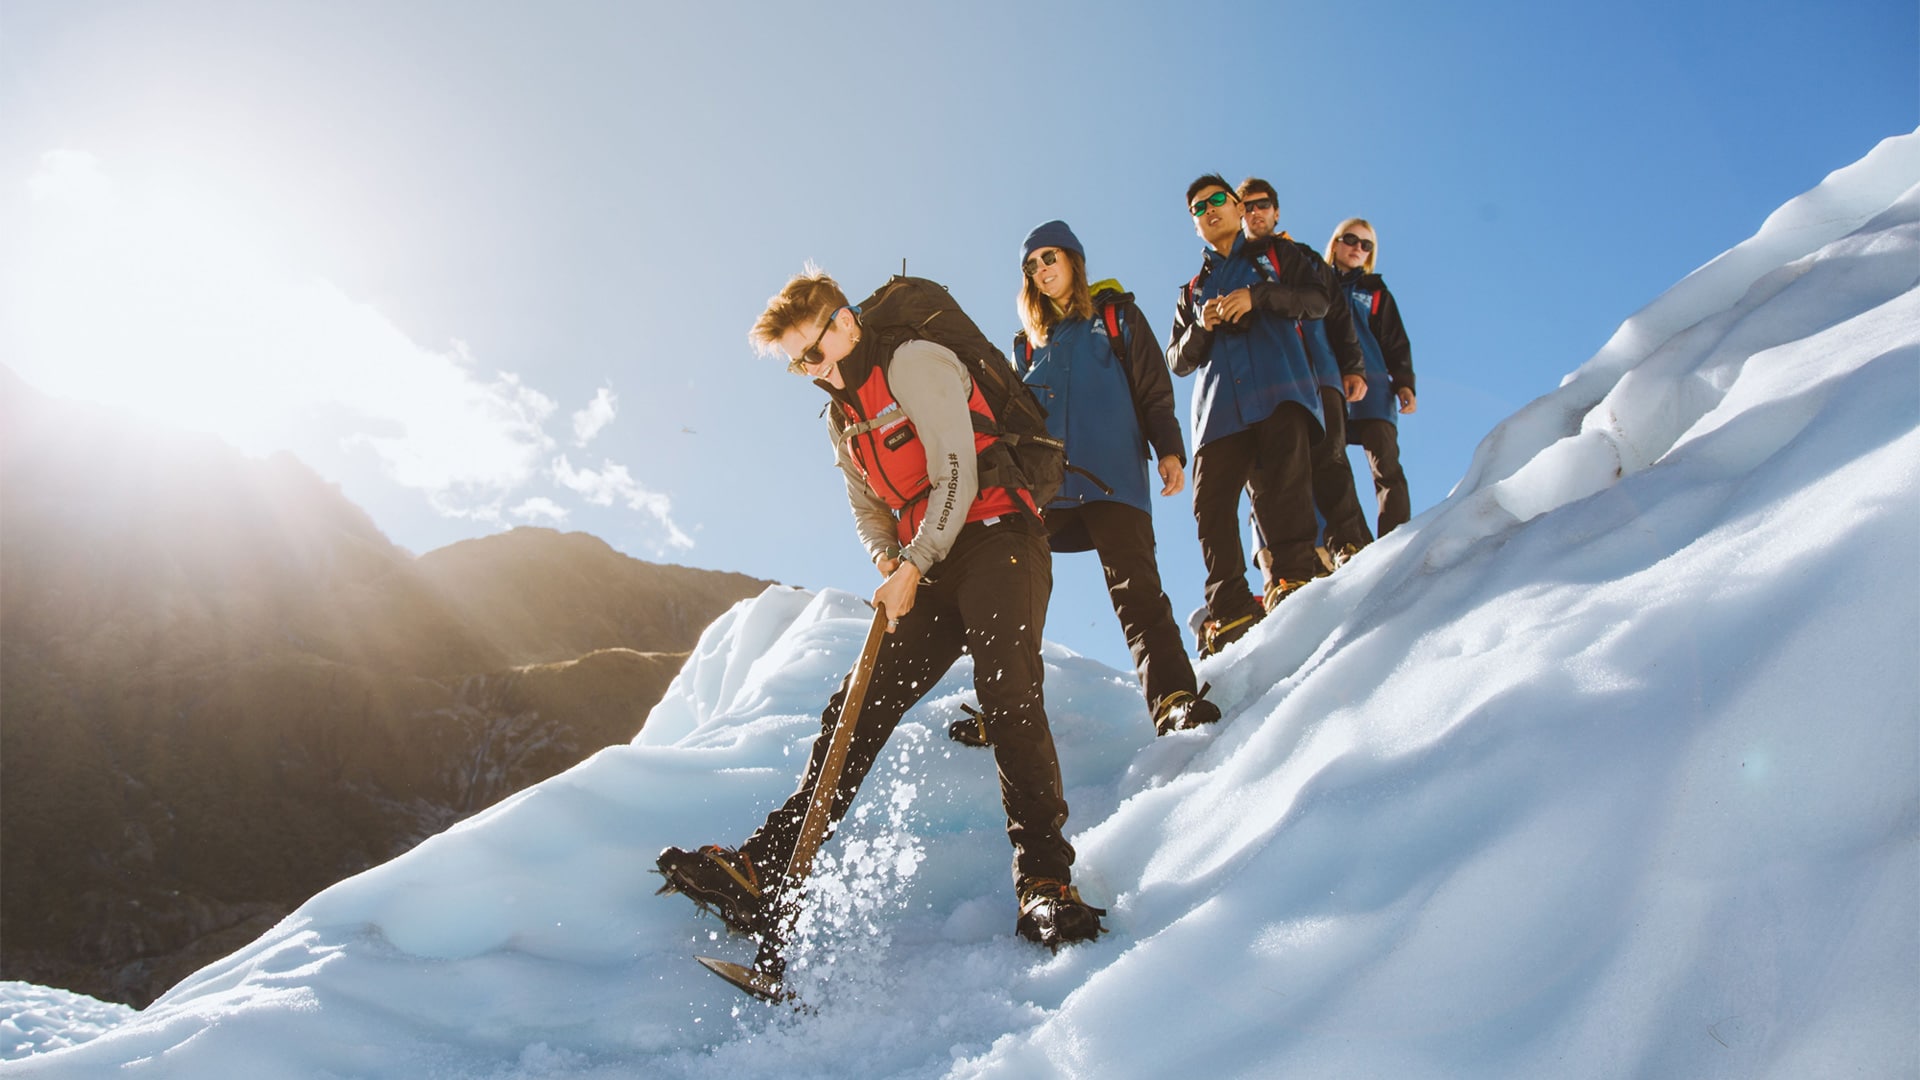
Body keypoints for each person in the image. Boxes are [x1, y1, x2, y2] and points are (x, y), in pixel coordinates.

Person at [657, 266, 1104, 966]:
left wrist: (915, 565)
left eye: (811, 352)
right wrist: (893, 564)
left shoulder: (914, 364)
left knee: (1007, 688)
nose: (808, 371)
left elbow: (956, 471)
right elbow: (870, 513)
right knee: (856, 707)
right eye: (795, 363)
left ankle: (1045, 881)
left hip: (997, 534)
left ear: (842, 324)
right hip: (929, 562)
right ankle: (765, 869)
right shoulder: (843, 418)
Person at [1006, 220, 1220, 735]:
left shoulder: (1116, 316)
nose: (1041, 271)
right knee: (1012, 586)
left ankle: (1174, 698)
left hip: (1112, 476)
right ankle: (1007, 713)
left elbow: (1151, 385)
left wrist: (1169, 449)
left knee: (1137, 591)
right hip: (1046, 490)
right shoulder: (1026, 344)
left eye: (1048, 258)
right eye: (1031, 267)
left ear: (1074, 260)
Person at [1168, 175, 1334, 657]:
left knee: (1282, 489)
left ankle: (1293, 576)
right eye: (1198, 209)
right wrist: (1201, 324)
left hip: (1280, 394)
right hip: (1218, 412)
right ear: (1195, 225)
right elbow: (1176, 360)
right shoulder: (1192, 290)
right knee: (1211, 506)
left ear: (1240, 207)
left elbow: (1318, 301)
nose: (1209, 210)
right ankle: (1231, 606)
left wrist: (1257, 297)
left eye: (1218, 200)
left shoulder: (1280, 257)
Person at [1236, 179, 1371, 574]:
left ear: (1276, 212)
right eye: (1246, 206)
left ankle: (1350, 543)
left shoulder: (1303, 257)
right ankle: (1295, 563)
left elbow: (1335, 313)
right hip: (1271, 383)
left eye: (1262, 205)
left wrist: (1352, 366)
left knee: (1330, 457)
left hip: (1319, 370)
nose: (1254, 213)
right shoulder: (1231, 265)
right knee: (1277, 473)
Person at [1326, 218, 1417, 536]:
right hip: (1329, 387)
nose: (1357, 248)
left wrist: (1405, 382)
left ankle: (1395, 539)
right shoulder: (1317, 284)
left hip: (1375, 391)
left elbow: (1395, 341)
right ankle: (1355, 543)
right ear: (1336, 242)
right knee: (1332, 466)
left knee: (1386, 465)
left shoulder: (1375, 292)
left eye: (1366, 245)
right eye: (1351, 240)